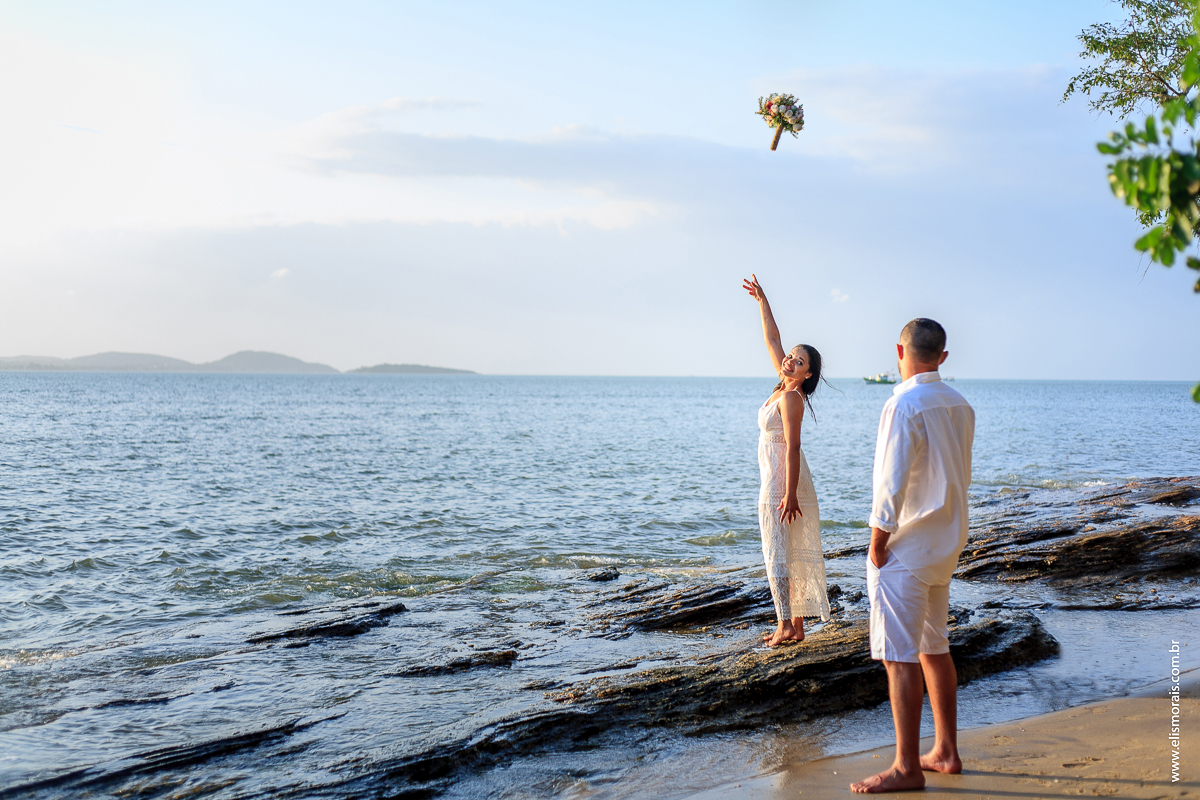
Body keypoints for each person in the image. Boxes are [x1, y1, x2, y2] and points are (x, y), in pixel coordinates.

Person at [850, 318, 975, 794]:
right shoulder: (959, 403)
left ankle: (907, 766)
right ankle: (945, 749)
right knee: (934, 647)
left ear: (898, 352)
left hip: (907, 546)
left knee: (900, 658)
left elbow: (892, 480)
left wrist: (878, 540)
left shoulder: (903, 402)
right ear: (942, 357)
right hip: (945, 544)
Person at [742, 275, 830, 647]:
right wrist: (763, 301)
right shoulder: (782, 386)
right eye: (792, 356)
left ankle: (785, 626)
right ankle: (795, 626)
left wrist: (790, 493)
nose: (791, 359)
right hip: (779, 477)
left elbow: (793, 447)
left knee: (777, 552)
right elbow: (773, 339)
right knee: (787, 550)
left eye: (799, 360)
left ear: (807, 374)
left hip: (783, 480)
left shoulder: (792, 398)